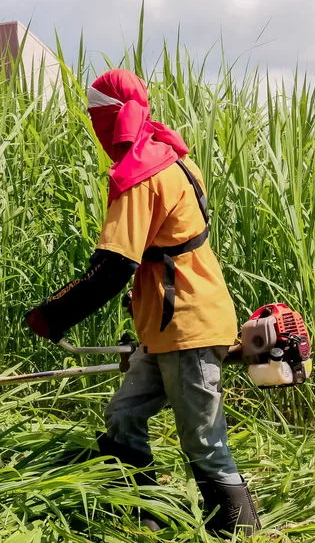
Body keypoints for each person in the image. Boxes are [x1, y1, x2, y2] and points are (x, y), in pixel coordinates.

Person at [24, 69, 261, 537]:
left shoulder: (141, 175)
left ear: (109, 119)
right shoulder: (174, 159)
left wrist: (52, 315)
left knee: (203, 440)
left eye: (96, 117)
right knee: (125, 416)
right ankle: (141, 518)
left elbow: (111, 268)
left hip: (186, 326)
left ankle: (241, 532)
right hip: (169, 324)